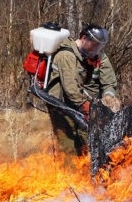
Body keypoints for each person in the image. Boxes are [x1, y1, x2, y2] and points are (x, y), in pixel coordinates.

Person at [46, 23, 121, 156]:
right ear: (84, 38)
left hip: (84, 104)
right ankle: (71, 175)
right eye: (94, 44)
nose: (97, 49)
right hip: (61, 106)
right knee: (68, 146)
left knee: (88, 141)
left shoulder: (97, 54)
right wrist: (88, 108)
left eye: (100, 46)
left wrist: (108, 96)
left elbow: (109, 81)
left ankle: (88, 169)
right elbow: (71, 90)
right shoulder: (66, 55)